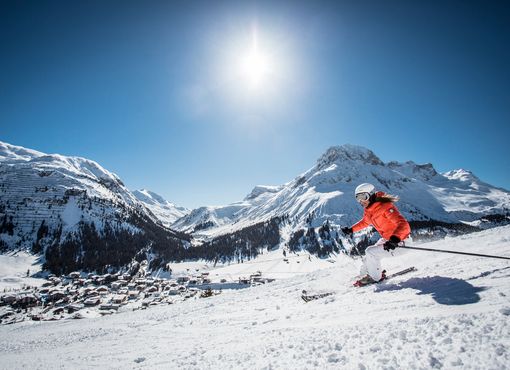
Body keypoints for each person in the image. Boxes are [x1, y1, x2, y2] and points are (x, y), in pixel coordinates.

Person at [341, 183, 411, 285]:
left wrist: (394, 239)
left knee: (371, 252)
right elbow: (365, 222)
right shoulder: (370, 210)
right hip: (388, 240)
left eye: (363, 197)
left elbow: (404, 224)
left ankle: (375, 277)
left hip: (400, 242)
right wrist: (351, 230)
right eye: (358, 198)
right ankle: (364, 275)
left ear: (371, 194)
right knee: (368, 257)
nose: (361, 201)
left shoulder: (385, 207)